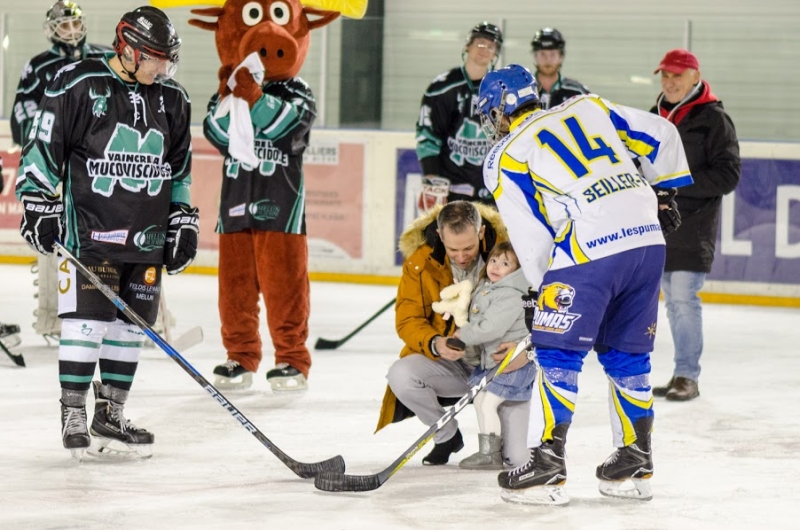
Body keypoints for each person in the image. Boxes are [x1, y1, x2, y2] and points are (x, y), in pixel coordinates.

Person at [478, 64, 691, 505]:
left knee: (557, 352)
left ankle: (547, 467)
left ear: (499, 110)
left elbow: (532, 231)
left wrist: (542, 290)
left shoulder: (506, 154)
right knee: (626, 353)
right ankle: (635, 457)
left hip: (590, 248)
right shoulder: (588, 106)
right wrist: (664, 194)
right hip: (647, 240)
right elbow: (663, 134)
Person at [16, 6, 196, 459]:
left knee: (132, 327)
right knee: (87, 322)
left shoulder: (174, 99)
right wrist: (36, 200)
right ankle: (74, 411)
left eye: (168, 59)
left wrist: (181, 217)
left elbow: (179, 169)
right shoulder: (78, 83)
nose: (163, 69)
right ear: (129, 50)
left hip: (147, 236)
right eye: (155, 59)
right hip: (91, 233)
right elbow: (43, 148)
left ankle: (110, 414)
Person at [375, 201, 530, 468]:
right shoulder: (419, 262)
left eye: (468, 248)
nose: (461, 257)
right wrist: (435, 343)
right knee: (401, 374)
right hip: (458, 366)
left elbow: (548, 309)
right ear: (439, 235)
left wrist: (526, 350)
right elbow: (408, 319)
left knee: (516, 459)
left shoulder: (512, 252)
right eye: (453, 249)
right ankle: (446, 435)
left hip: (504, 368)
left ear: (481, 233)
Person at [11, 1, 111, 343]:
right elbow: (23, 112)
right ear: (52, 29)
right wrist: (42, 151)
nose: (71, 31)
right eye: (64, 25)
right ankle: (50, 315)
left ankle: (136, 310)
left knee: (113, 230)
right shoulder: (39, 66)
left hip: (96, 162)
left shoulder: (102, 57)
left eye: (75, 24)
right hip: (56, 162)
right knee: (51, 233)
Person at [650, 49, 741, 402]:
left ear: (695, 77)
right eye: (665, 75)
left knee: (683, 300)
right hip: (658, 227)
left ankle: (688, 375)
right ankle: (680, 374)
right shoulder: (654, 116)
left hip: (694, 228)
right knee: (673, 303)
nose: (670, 82)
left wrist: (676, 185)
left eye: (677, 75)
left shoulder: (714, 119)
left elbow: (728, 175)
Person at [449, 241, 536, 470]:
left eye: (505, 264)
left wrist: (463, 334)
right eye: (494, 260)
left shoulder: (510, 295)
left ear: (517, 271)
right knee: (480, 399)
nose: (495, 266)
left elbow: (490, 328)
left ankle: (491, 455)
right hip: (494, 362)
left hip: (513, 365)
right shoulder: (489, 288)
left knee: (488, 403)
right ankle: (489, 449)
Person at [415, 22, 503, 210]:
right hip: (452, 191)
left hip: (491, 191)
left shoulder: (502, 90)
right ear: (467, 45)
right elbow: (428, 136)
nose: (485, 49)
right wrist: (431, 178)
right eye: (480, 43)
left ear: (495, 53)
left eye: (490, 46)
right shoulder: (442, 88)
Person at [530, 28, 590, 110]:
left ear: (561, 56)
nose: (548, 59)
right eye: (542, 54)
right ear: (535, 56)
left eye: (553, 54)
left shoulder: (577, 92)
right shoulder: (522, 91)